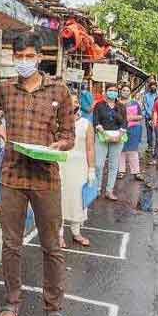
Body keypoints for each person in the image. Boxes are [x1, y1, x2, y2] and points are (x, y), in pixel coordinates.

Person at [0, 34, 74, 316]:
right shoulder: (5, 89)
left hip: (46, 179)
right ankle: (11, 303)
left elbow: (69, 136)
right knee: (11, 245)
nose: (23, 62)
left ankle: (54, 309)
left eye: (28, 56)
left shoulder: (60, 90)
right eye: (18, 56)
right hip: (12, 177)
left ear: (39, 56)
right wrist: (1, 131)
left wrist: (59, 145)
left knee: (52, 247)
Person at [59, 98, 95, 248]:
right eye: (68, 100)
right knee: (60, 199)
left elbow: (90, 148)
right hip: (61, 164)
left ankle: (76, 233)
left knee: (78, 201)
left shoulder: (86, 124)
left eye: (74, 101)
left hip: (80, 167)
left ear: (78, 105)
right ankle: (59, 234)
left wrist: (91, 169)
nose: (71, 104)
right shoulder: (58, 123)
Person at [93, 85, 128, 201]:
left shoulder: (121, 107)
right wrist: (105, 134)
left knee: (113, 165)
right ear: (106, 92)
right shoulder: (99, 105)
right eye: (110, 90)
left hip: (118, 137)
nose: (112, 92)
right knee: (98, 164)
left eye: (114, 91)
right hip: (102, 136)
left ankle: (109, 191)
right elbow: (96, 121)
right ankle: (97, 189)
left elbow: (124, 123)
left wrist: (119, 135)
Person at [117, 85, 145, 181]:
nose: (125, 92)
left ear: (130, 92)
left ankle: (136, 172)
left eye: (127, 90)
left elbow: (141, 116)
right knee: (121, 150)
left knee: (133, 150)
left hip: (134, 129)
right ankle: (121, 171)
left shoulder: (135, 103)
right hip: (119, 129)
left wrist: (131, 117)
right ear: (120, 91)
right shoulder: (116, 104)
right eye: (123, 90)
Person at [142, 80, 158, 152]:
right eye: (152, 85)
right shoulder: (146, 96)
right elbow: (145, 106)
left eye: (154, 85)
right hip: (148, 117)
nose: (153, 87)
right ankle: (150, 146)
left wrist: (156, 115)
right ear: (149, 87)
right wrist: (150, 114)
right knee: (149, 132)